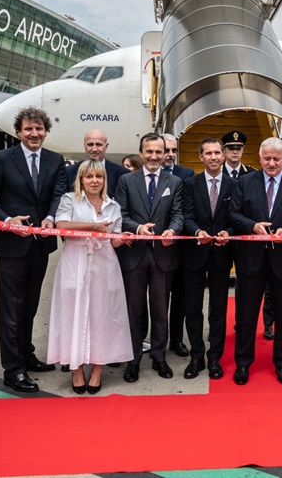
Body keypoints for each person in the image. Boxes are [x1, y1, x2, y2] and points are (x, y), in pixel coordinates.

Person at [0, 107, 67, 393]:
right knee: (12, 309)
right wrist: (7, 221)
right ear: (18, 131)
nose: (34, 134)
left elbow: (58, 195)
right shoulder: (3, 159)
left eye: (39, 129)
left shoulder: (55, 160)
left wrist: (51, 218)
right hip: (11, 246)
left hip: (40, 245)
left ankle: (26, 354)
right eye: (28, 129)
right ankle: (12, 369)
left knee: (29, 305)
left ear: (45, 131)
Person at [229, 137, 282, 385]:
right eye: (267, 158)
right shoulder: (245, 182)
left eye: (277, 158)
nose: (272, 163)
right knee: (245, 315)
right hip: (251, 260)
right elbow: (233, 213)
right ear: (259, 157)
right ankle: (243, 363)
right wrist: (252, 226)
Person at [48, 160, 134, 394]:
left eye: (99, 176)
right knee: (72, 314)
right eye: (89, 176)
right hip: (75, 261)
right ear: (81, 179)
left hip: (105, 264)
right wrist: (94, 226)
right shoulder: (69, 200)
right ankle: (76, 368)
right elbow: (62, 225)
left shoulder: (113, 205)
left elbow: (113, 239)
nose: (95, 180)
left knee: (102, 316)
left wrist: (124, 238)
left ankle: (97, 368)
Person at [114, 133, 184, 383]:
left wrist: (173, 230)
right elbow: (120, 213)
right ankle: (133, 359)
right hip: (134, 254)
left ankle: (159, 356)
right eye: (149, 151)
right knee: (134, 310)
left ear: (165, 153)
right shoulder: (126, 180)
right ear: (141, 152)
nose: (154, 156)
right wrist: (137, 228)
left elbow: (178, 213)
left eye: (159, 151)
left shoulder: (174, 182)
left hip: (163, 255)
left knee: (160, 309)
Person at [181, 138, 238, 380]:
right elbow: (187, 215)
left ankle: (215, 357)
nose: (214, 157)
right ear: (201, 157)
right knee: (193, 308)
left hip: (222, 255)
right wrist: (197, 232)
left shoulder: (235, 185)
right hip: (195, 253)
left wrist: (230, 233)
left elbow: (237, 216)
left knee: (218, 309)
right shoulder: (189, 184)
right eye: (209, 153)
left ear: (224, 156)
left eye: (217, 152)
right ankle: (196, 356)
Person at [162, 133, 193, 357]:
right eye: (166, 150)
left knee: (180, 298)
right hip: (155, 245)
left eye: (174, 150)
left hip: (181, 248)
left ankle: (176, 339)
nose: (170, 155)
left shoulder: (186, 175)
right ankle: (156, 342)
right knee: (158, 299)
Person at [65, 129, 129, 199]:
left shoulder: (122, 173)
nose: (94, 149)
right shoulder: (69, 172)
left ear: (106, 146)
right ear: (84, 145)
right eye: (90, 144)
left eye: (98, 144)